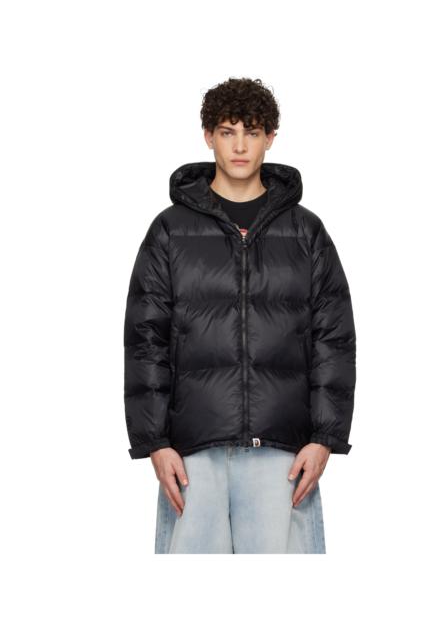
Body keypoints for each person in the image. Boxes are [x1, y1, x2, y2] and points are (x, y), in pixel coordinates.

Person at [123, 77, 356, 554]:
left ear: (271, 137)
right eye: (228, 132)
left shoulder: (306, 232)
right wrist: (154, 442)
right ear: (208, 136)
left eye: (252, 132)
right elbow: (145, 339)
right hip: (193, 450)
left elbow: (333, 338)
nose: (241, 146)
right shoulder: (170, 231)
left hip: (283, 451)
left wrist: (325, 437)